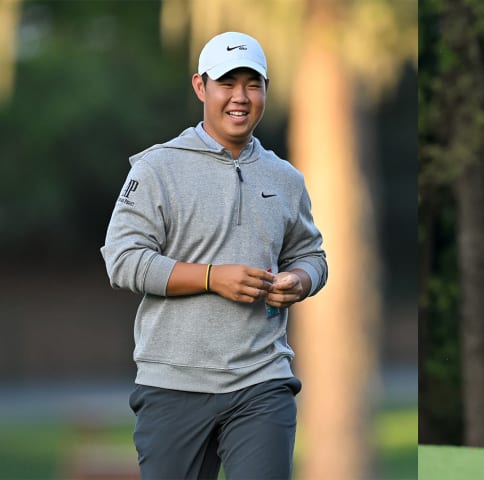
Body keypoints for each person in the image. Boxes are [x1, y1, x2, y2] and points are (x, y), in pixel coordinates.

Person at [101, 31, 327, 479]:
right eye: (227, 82)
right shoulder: (156, 168)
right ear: (201, 87)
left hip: (262, 380)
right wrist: (211, 277)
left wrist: (300, 280)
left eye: (252, 83)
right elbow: (123, 260)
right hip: (173, 385)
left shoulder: (286, 178)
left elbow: (311, 254)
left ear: (265, 89)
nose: (240, 97)